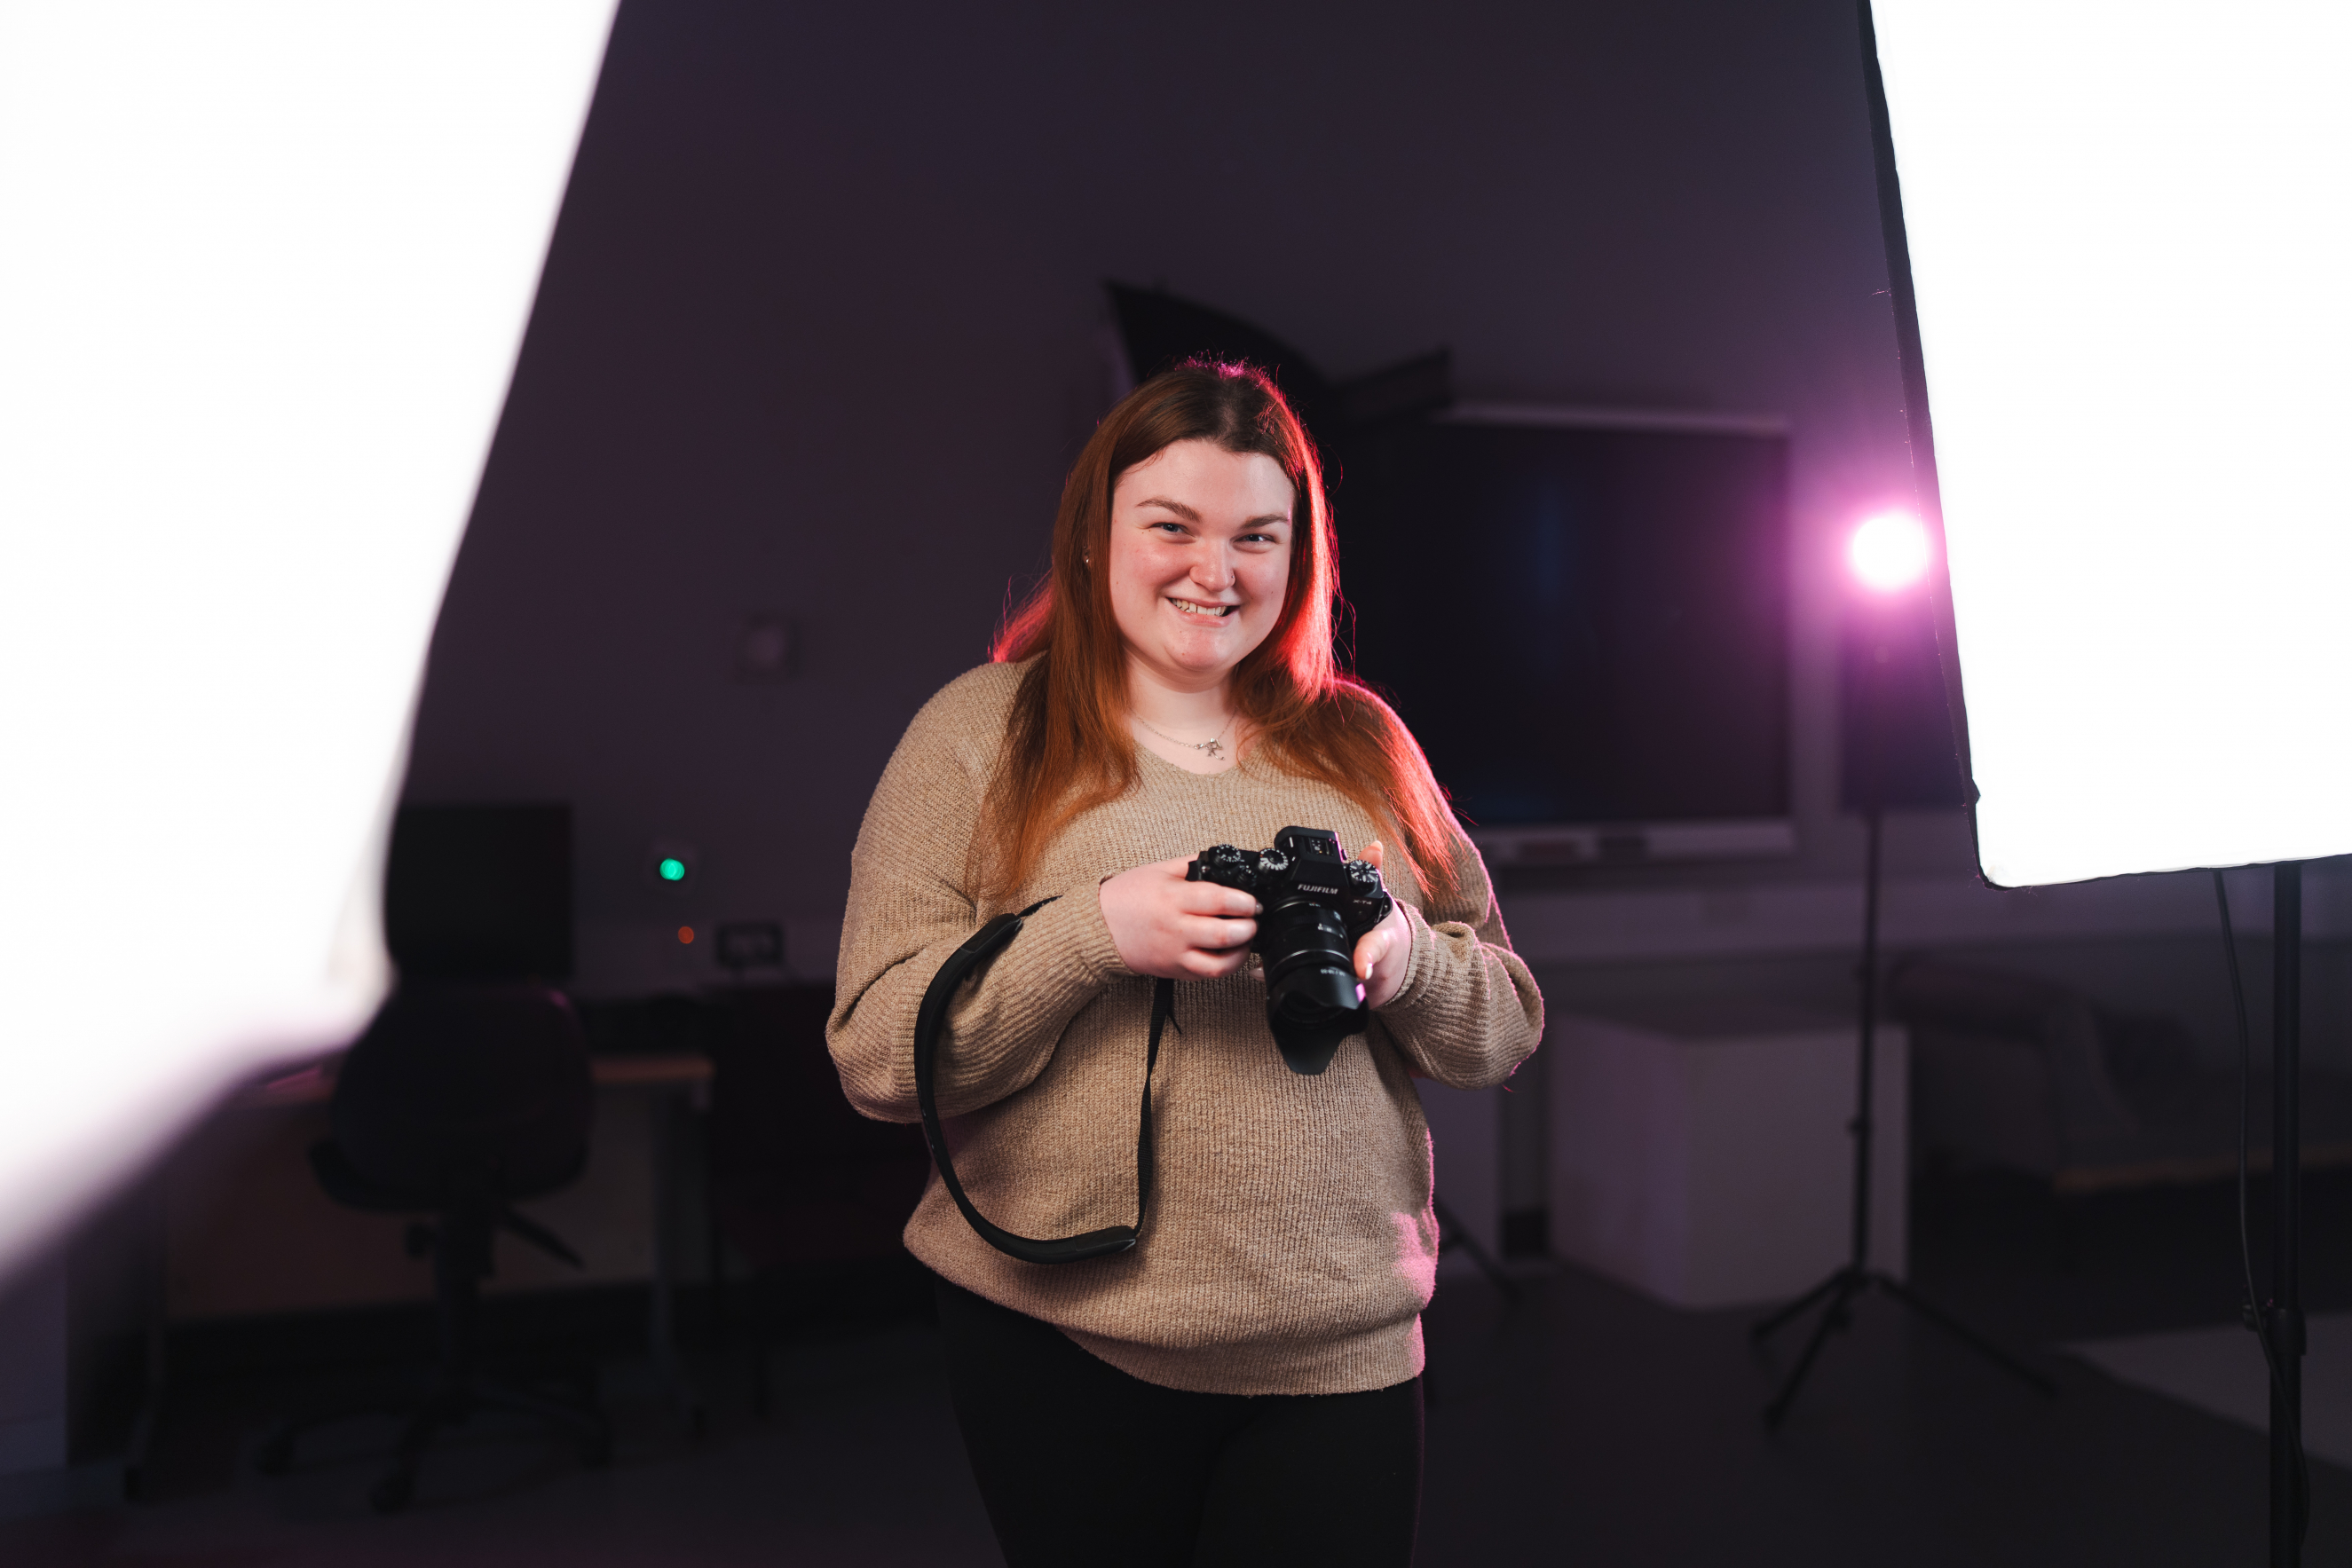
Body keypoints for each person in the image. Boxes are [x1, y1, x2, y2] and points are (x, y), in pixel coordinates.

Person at [826, 360, 1543, 1567]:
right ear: (1095, 537)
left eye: (1257, 536)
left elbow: (1506, 1023)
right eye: (1173, 526)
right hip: (1059, 1328)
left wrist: (1406, 959)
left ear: (1296, 559)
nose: (1216, 571)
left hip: (1337, 1340)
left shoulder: (1362, 743)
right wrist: (1089, 936)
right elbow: (873, 1058)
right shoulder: (980, 730)